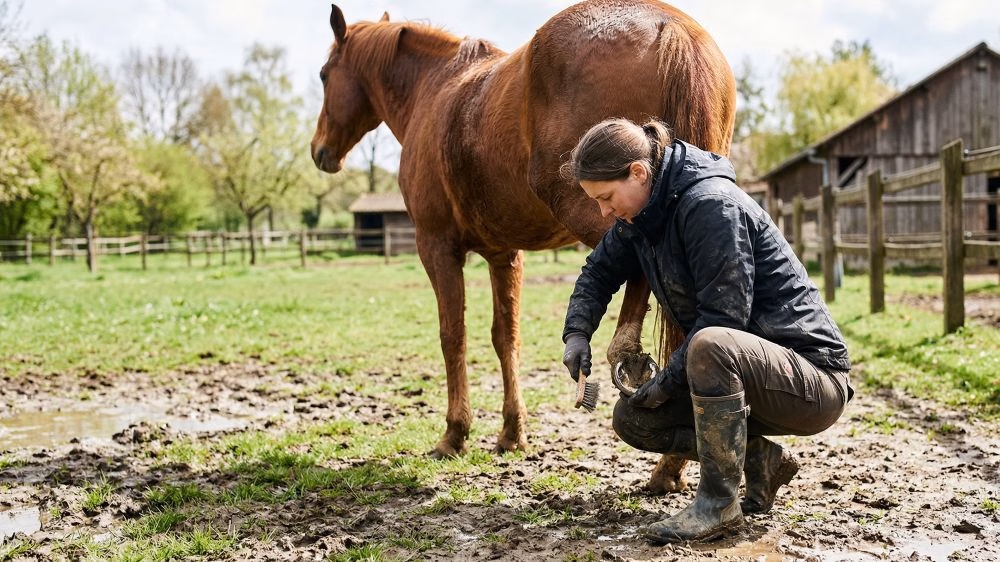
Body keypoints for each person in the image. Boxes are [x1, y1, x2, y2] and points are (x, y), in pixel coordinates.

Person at [560, 118, 853, 544]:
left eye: (606, 197)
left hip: (812, 382)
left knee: (710, 343)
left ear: (638, 173)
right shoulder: (641, 215)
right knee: (633, 419)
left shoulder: (711, 206)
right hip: (745, 371)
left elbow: (723, 320)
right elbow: (599, 272)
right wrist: (577, 334)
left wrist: (663, 383)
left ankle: (719, 504)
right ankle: (759, 463)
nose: (604, 212)